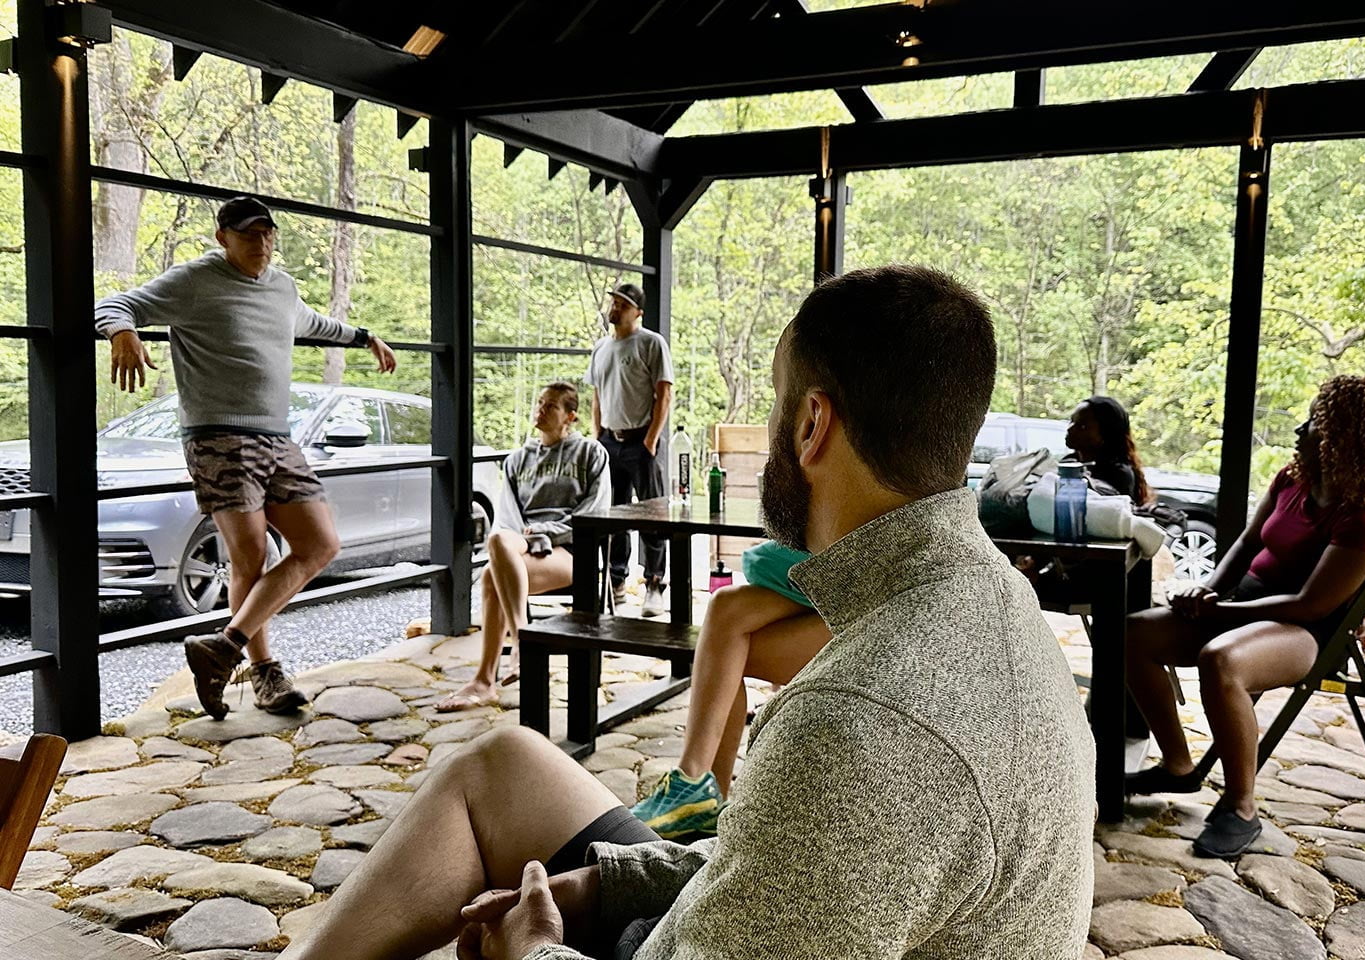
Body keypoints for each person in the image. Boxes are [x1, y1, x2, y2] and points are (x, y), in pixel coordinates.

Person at [279, 265, 1096, 960]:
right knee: (503, 763)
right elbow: (793, 864)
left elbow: (835, 828)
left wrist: (534, 949)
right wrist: (603, 886)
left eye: (778, 405)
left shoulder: (857, 723)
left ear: (812, 424)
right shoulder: (994, 597)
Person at [95, 196, 397, 719]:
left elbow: (309, 323)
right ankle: (263, 673)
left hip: (278, 440)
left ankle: (224, 647)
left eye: (267, 234)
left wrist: (365, 337)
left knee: (320, 544)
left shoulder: (281, 286)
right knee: (251, 557)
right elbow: (114, 303)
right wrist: (122, 333)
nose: (260, 243)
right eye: (247, 234)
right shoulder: (194, 281)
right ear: (223, 237)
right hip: (218, 440)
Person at [1124, 374, 1365, 858]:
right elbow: (1246, 542)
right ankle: (1178, 767)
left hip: (1306, 631)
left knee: (1222, 660)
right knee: (1133, 633)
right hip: (1245, 600)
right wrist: (1208, 588)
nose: (1300, 430)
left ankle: (1242, 808)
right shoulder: (1292, 479)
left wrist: (1221, 609)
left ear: (1343, 438)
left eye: (1314, 422)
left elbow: (1311, 605)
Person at [628, 539, 830, 837]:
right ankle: (703, 797)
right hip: (851, 588)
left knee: (725, 650)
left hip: (889, 611)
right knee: (727, 608)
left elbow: (766, 560)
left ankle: (696, 793)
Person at [437, 382, 610, 711]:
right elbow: (507, 520)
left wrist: (544, 531)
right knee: (499, 538)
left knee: (490, 576)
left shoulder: (591, 453)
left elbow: (593, 514)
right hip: (522, 546)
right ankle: (519, 642)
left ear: (570, 416)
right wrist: (529, 538)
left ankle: (486, 678)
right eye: (540, 403)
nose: (540, 410)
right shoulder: (518, 459)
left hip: (571, 551)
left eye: (551, 407)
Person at [585, 283, 674, 618]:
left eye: (623, 303)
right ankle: (617, 582)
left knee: (652, 514)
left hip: (641, 441)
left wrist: (651, 440)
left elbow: (663, 393)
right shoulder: (600, 348)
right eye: (614, 302)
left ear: (637, 311)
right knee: (615, 515)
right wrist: (598, 436)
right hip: (609, 441)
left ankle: (654, 584)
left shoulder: (651, 343)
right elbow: (596, 394)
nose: (615, 308)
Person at [1064, 395, 1152, 505]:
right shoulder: (1070, 462)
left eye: (1082, 426)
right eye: (1071, 421)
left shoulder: (1117, 475)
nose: (1070, 428)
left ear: (1106, 434)